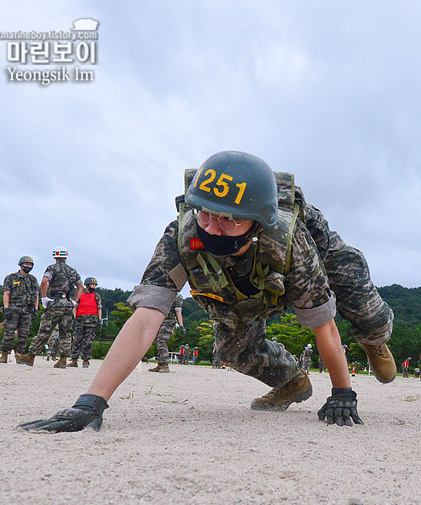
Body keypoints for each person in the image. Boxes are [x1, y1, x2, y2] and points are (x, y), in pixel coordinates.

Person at [21, 150, 395, 432]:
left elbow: (322, 325)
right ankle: (291, 380)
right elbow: (147, 317)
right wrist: (91, 402)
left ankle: (373, 340)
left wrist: (343, 393)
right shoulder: (181, 236)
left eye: (229, 220)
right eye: (205, 214)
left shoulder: (288, 242)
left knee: (368, 314)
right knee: (233, 349)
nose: (213, 229)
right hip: (245, 279)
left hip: (317, 257)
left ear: (256, 224)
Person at [18, 247, 83, 368]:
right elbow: (81, 287)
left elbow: (44, 281)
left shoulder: (52, 268)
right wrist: (74, 301)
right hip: (68, 304)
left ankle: (31, 356)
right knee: (66, 332)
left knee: (45, 330)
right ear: (66, 256)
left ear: (55, 256)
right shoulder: (73, 271)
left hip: (55, 302)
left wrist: (44, 297)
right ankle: (63, 359)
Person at [0, 255, 40, 364]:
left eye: (30, 265)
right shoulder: (11, 278)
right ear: (21, 265)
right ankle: (4, 355)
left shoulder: (32, 279)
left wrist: (36, 309)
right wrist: (6, 309)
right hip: (13, 310)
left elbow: (36, 295)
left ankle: (19, 355)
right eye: (26, 264)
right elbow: (6, 293)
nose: (28, 266)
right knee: (9, 334)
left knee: (24, 335)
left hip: (27, 311)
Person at [70, 277, 102, 368]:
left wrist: (99, 320)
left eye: (95, 285)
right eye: (92, 285)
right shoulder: (79, 295)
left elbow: (99, 308)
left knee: (88, 342)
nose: (94, 286)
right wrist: (74, 318)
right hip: (80, 321)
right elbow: (75, 307)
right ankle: (74, 360)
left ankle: (85, 360)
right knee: (77, 340)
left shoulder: (97, 296)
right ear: (87, 285)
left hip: (92, 322)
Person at [149, 294, 184, 373]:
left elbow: (178, 311)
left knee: (162, 341)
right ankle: (160, 364)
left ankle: (165, 365)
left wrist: (181, 326)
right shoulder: (163, 295)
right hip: (161, 320)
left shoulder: (177, 297)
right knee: (158, 341)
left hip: (169, 321)